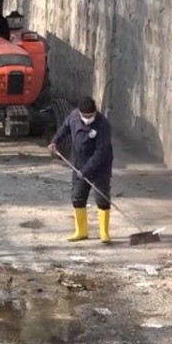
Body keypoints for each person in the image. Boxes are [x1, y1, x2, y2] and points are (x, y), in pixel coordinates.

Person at [48, 96, 114, 244]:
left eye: (90, 116)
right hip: (78, 163)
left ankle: (104, 232)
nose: (87, 119)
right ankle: (81, 231)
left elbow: (101, 152)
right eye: (85, 116)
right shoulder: (73, 117)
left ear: (95, 112)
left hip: (100, 167)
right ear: (79, 112)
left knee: (102, 198)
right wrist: (54, 141)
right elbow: (64, 129)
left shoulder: (103, 125)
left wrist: (86, 170)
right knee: (77, 197)